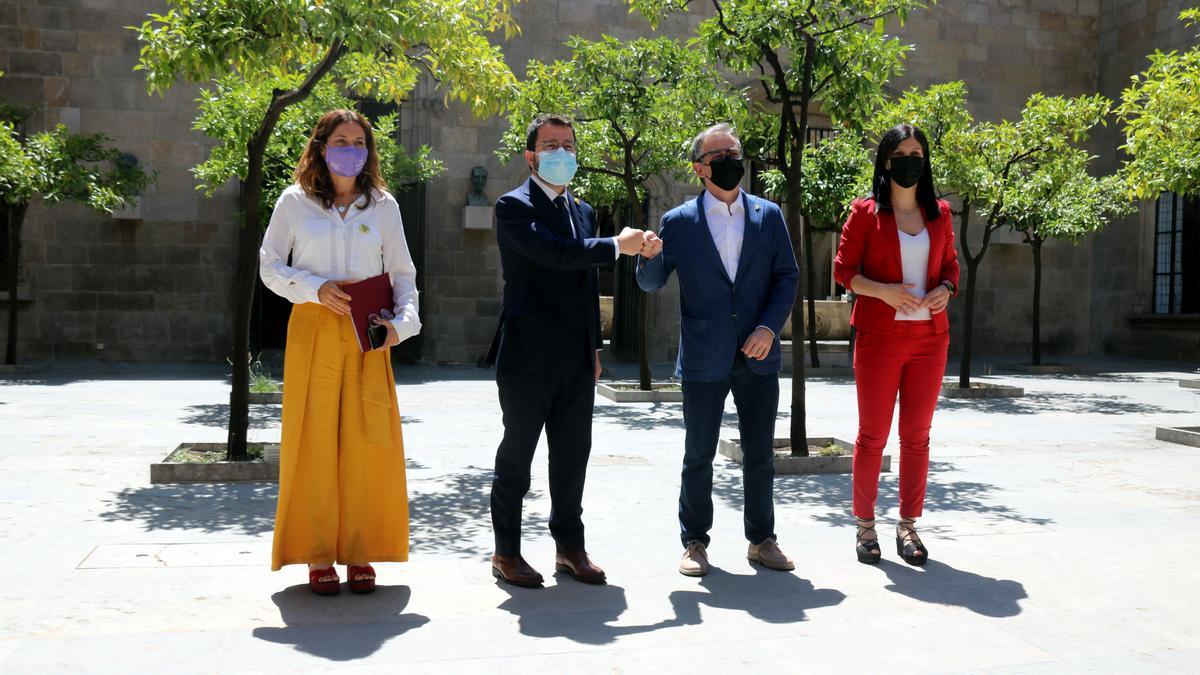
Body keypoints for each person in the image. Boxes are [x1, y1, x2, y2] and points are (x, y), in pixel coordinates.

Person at [260, 109, 421, 594]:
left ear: (369, 152)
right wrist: (313, 287)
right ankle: (316, 554)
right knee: (312, 440)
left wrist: (402, 327)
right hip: (313, 326)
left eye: (359, 142)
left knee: (368, 441)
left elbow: (403, 275)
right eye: (341, 141)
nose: (352, 150)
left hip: (367, 331)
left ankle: (360, 551)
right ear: (322, 147)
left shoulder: (384, 206)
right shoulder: (294, 201)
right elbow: (269, 265)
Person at [486, 113, 649, 588]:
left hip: (575, 358)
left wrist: (593, 347)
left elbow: (584, 285)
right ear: (531, 156)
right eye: (552, 145)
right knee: (517, 458)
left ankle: (570, 549)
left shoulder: (582, 210)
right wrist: (616, 245)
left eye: (569, 145)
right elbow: (556, 254)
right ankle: (506, 552)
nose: (562, 153)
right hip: (527, 357)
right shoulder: (512, 207)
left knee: (572, 456)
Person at [636, 123, 799, 577]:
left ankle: (762, 540)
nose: (730, 160)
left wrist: (768, 327)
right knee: (698, 454)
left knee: (760, 454)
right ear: (699, 168)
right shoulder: (679, 221)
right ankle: (694, 542)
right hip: (704, 355)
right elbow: (651, 283)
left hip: (758, 354)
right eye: (719, 155)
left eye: (734, 152)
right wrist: (647, 257)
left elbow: (787, 276)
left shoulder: (769, 215)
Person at [833, 123, 959, 566]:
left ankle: (908, 525)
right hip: (879, 338)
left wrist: (946, 288)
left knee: (917, 437)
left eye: (917, 154)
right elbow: (844, 271)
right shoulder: (865, 213)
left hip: (929, 339)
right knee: (872, 435)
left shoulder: (940, 214)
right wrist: (883, 292)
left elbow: (951, 266)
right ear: (886, 162)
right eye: (901, 154)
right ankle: (865, 526)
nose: (910, 161)